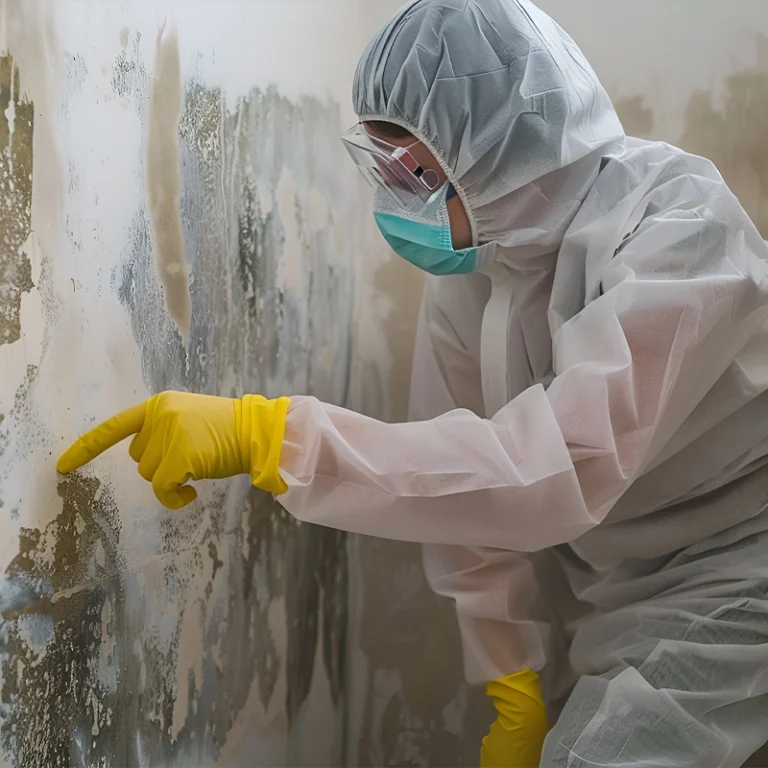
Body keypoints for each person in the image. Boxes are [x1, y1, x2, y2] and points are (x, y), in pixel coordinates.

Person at [58, 0, 768, 765]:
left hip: (739, 572)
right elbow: (461, 497)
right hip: (613, 590)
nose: (397, 202)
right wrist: (512, 680)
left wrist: (273, 436)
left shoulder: (682, 234)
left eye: (415, 173)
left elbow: (551, 467)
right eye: (382, 169)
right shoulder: (479, 274)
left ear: (507, 146)